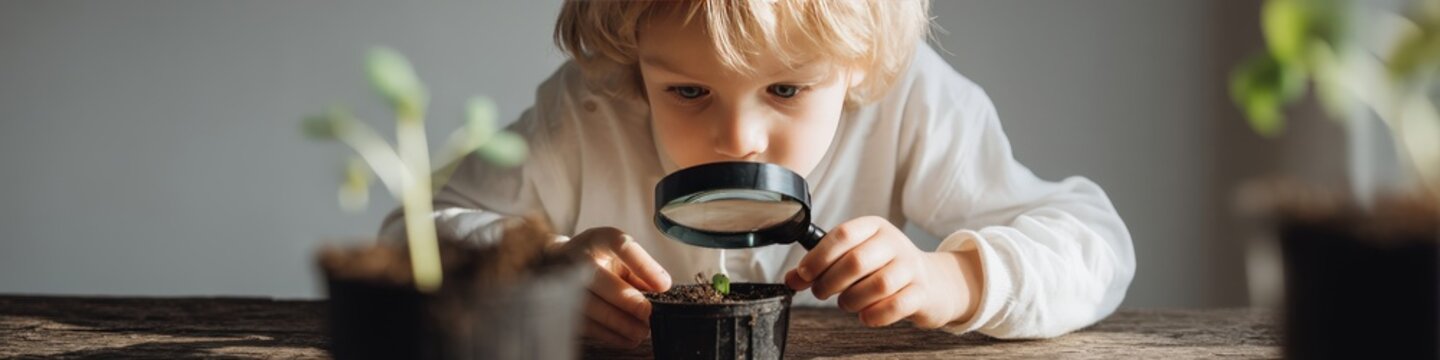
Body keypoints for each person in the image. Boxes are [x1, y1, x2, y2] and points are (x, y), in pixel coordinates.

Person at [381, 0, 1135, 348]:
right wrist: (538, 275)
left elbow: (1097, 245)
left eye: (786, 90)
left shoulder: (908, 98)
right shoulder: (590, 105)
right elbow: (406, 241)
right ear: (632, 65)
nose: (737, 136)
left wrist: (954, 280)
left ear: (860, 67)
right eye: (686, 91)